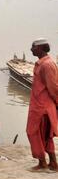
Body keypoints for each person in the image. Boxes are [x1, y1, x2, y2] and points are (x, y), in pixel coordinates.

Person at [27, 38, 57, 171]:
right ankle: (52, 163)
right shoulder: (42, 64)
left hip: (42, 107)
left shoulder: (46, 65)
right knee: (45, 134)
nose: (31, 49)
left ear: (40, 48)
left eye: (33, 47)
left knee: (33, 132)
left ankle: (43, 162)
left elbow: (53, 87)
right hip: (39, 105)